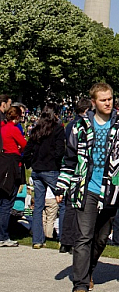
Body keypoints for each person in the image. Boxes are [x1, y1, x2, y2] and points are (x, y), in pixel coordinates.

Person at [55, 82, 119, 292]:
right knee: (83, 237)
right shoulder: (80, 126)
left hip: (113, 190)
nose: (108, 103)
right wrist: (61, 186)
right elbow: (69, 160)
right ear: (93, 102)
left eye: (110, 99)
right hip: (86, 189)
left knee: (102, 237)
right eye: (103, 100)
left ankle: (89, 270)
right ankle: (80, 287)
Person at [24, 103, 66, 249]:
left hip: (37, 169)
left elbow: (28, 149)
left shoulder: (37, 129)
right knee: (63, 202)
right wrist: (54, 160)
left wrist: (31, 162)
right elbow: (60, 149)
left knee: (38, 206)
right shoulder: (58, 129)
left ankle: (37, 239)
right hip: (51, 169)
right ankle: (63, 238)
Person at [59, 98, 92, 254]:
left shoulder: (70, 125)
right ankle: (74, 242)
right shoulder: (82, 126)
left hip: (71, 169)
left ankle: (65, 241)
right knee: (78, 208)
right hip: (79, 169)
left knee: (69, 207)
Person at [0, 107, 27, 247]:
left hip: (2, 162)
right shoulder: (13, 129)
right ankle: (3, 235)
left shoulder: (2, 127)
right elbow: (24, 145)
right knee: (7, 202)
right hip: (12, 164)